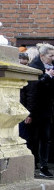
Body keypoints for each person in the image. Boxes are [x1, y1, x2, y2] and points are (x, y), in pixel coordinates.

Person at [24, 44, 54, 178]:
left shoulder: (51, 68)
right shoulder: (34, 68)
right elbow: (31, 92)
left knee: (46, 138)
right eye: (50, 56)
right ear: (42, 56)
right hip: (36, 111)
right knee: (32, 139)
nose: (52, 59)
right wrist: (29, 113)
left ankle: (44, 165)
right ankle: (31, 165)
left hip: (47, 111)